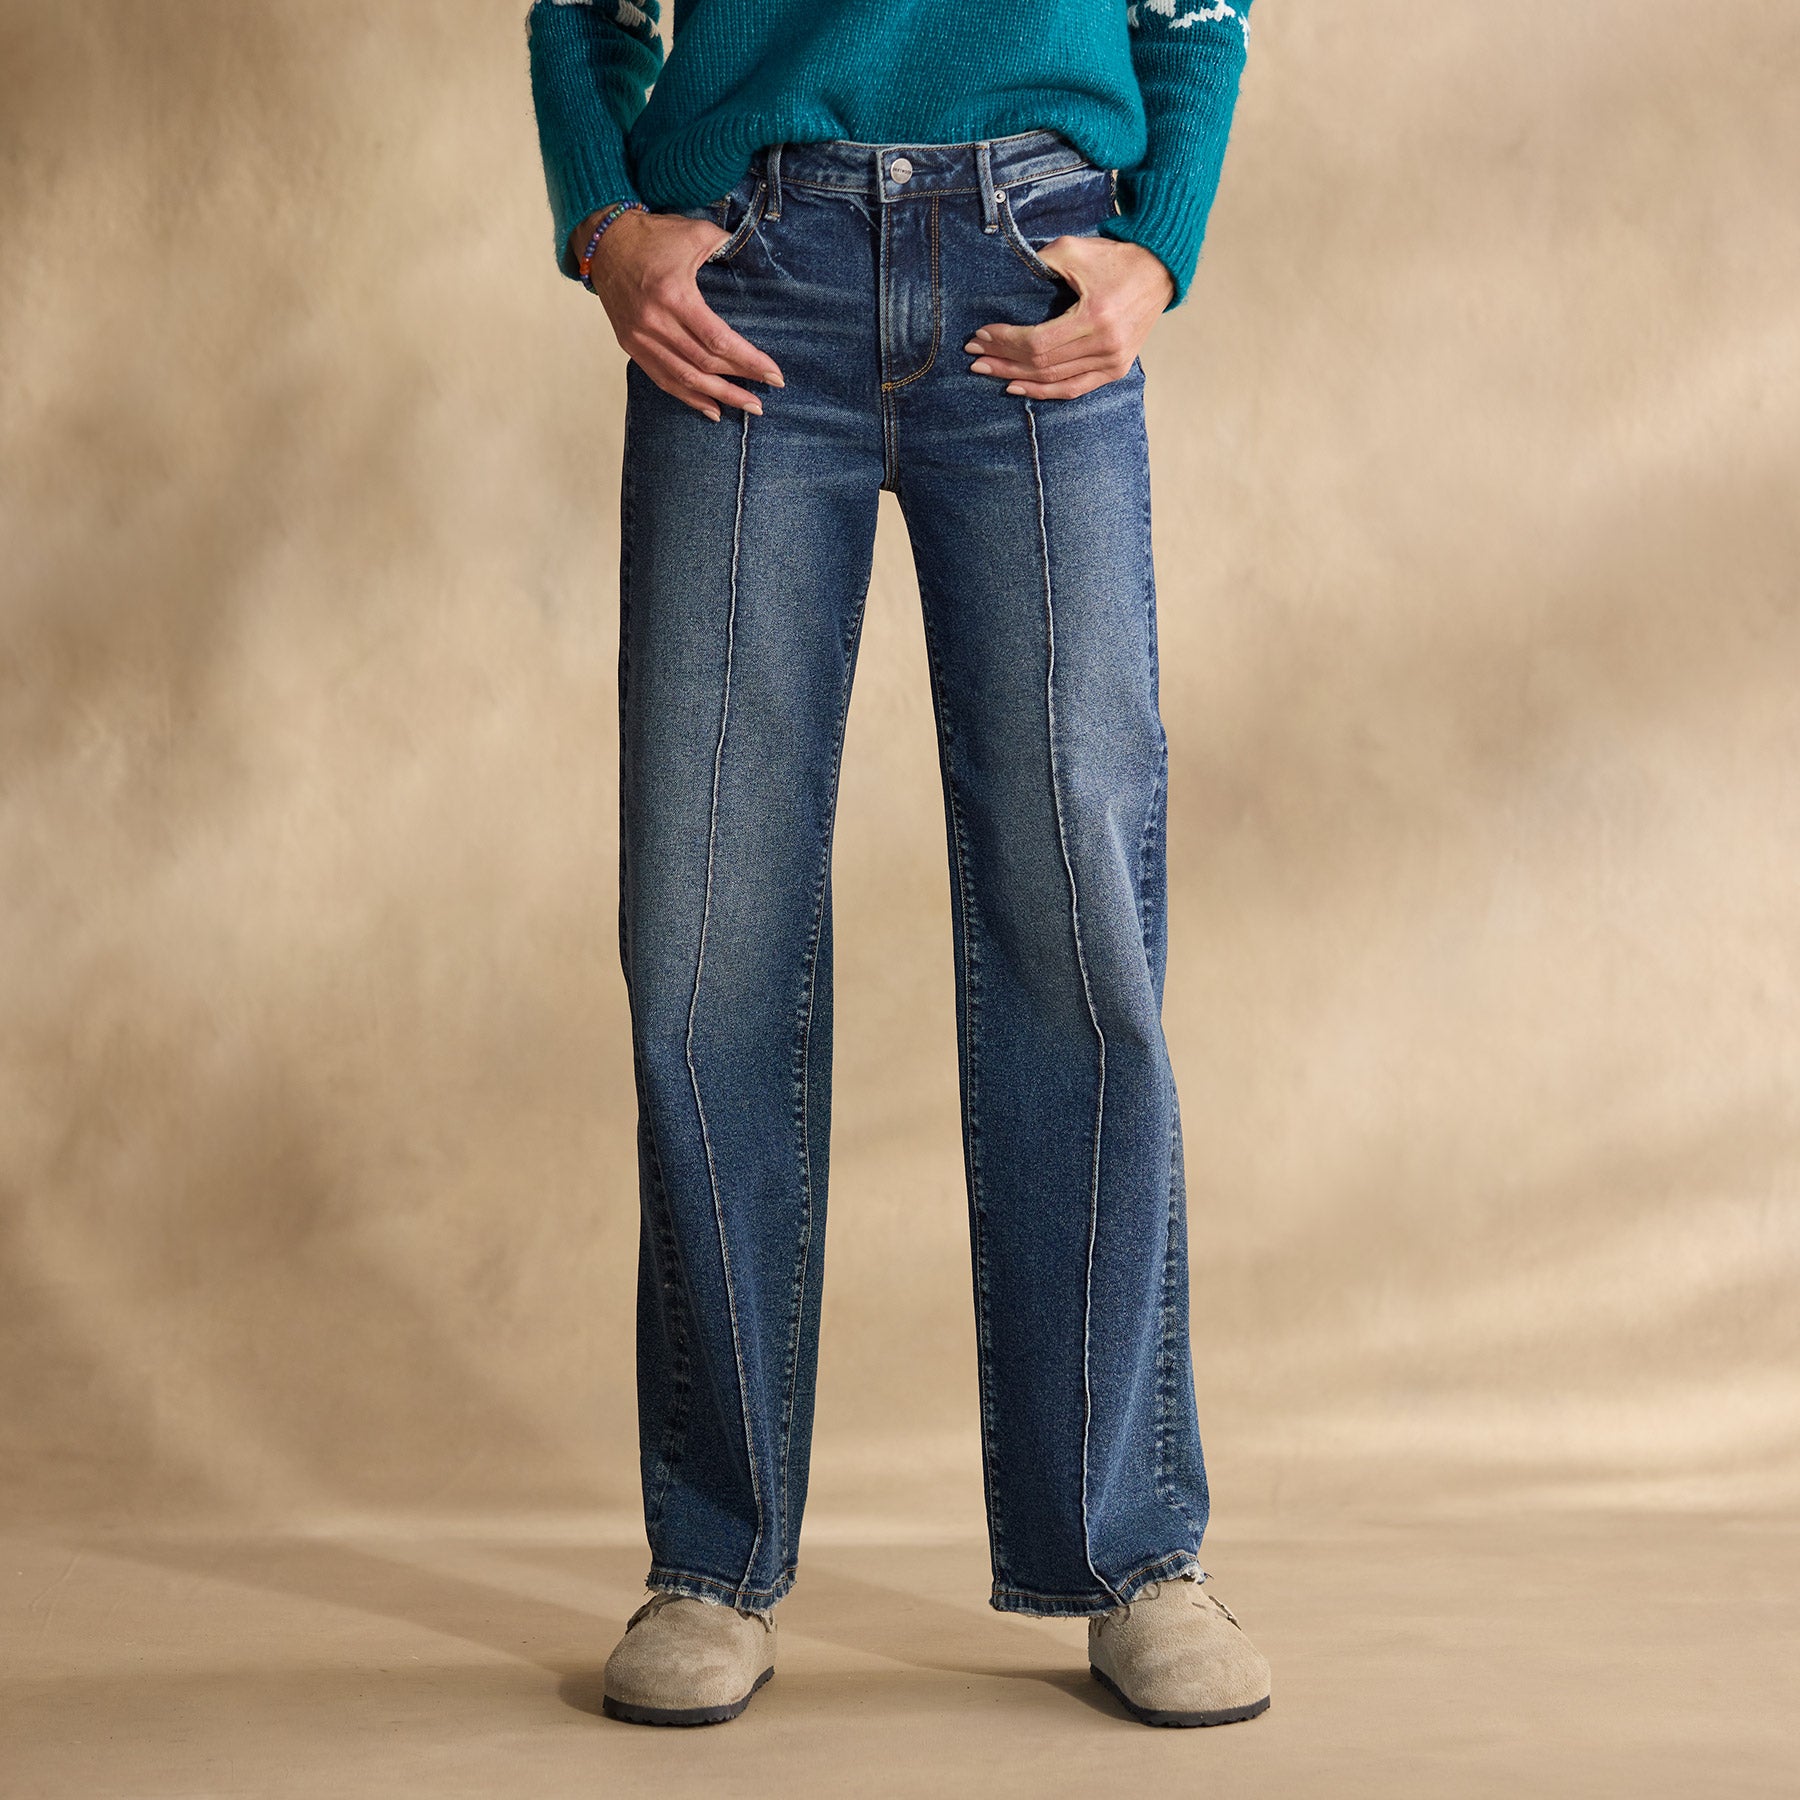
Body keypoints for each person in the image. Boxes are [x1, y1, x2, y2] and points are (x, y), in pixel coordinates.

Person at [526, 0, 1271, 1730]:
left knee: (1075, 913)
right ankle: (712, 1559)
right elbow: (583, 11)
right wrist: (603, 226)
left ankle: (1129, 1549)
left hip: (1032, 263)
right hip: (749, 276)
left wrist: (1158, 247)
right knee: (705, 924)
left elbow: (1196, 16)